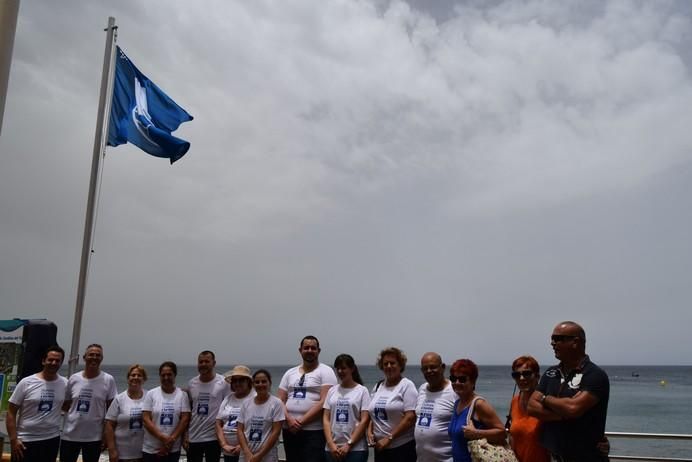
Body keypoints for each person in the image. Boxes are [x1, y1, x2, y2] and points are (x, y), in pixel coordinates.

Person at [528, 321, 610, 462]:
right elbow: (531, 407)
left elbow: (572, 408)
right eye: (552, 339)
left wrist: (544, 398)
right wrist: (563, 414)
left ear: (575, 342)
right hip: (554, 457)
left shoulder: (594, 375)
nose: (552, 343)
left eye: (558, 338)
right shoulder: (550, 372)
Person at [278, 335, 337, 462]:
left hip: (314, 432)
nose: (309, 350)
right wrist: (289, 420)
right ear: (300, 350)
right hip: (289, 430)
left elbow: (324, 401)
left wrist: (301, 422)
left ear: (318, 351)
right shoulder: (290, 373)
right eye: (306, 348)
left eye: (313, 348)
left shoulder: (326, 371)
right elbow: (280, 400)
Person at [7, 345, 68, 462]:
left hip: (51, 440)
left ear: (61, 363)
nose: (53, 363)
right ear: (43, 361)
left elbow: (67, 406)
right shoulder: (26, 382)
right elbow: (11, 412)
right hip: (25, 440)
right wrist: (13, 439)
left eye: (57, 360)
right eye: (50, 359)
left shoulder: (65, 383)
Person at [61, 344, 118, 462]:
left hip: (94, 437)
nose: (94, 357)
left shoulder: (108, 379)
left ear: (101, 358)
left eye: (98, 355)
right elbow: (66, 405)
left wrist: (106, 436)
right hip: (70, 434)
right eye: (91, 354)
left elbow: (111, 411)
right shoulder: (73, 378)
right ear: (84, 357)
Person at [447, 359, 506, 462]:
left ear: (473, 382)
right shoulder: (457, 403)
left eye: (462, 379)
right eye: (453, 378)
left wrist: (476, 433)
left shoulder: (479, 404)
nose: (457, 382)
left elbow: (502, 433)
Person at [366, 347, 417, 462]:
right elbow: (373, 413)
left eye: (392, 363)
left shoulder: (407, 385)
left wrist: (389, 438)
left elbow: (410, 417)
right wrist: (369, 432)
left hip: (402, 447)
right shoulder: (378, 386)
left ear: (400, 365)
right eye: (385, 364)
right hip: (380, 447)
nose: (389, 366)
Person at [322, 354, 371, 462]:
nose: (340, 371)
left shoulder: (362, 391)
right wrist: (330, 444)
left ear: (352, 369)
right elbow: (326, 419)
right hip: (332, 448)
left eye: (343, 368)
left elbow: (365, 420)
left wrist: (349, 444)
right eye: (338, 368)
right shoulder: (332, 391)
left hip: (356, 450)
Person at [142, 361, 191, 462]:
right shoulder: (151, 394)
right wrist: (163, 438)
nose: (166, 378)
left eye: (169, 374)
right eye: (163, 375)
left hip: (172, 449)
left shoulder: (182, 395)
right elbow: (145, 419)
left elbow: (185, 420)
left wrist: (170, 441)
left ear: (175, 375)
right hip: (151, 449)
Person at [187, 350, 230, 462]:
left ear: (214, 363)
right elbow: (190, 408)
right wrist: (185, 435)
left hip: (214, 437)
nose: (203, 364)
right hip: (194, 436)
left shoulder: (223, 383)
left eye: (207, 361)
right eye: (201, 362)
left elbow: (228, 408)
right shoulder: (192, 383)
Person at [415, 352, 456, 462]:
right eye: (425, 368)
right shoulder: (422, 389)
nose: (429, 371)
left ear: (442, 367)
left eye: (433, 367)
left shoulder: (454, 391)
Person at [237, 369, 285, 462]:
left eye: (264, 381)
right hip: (246, 455)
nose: (260, 384)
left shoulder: (276, 403)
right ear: (253, 384)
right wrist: (247, 452)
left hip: (267, 455)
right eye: (257, 382)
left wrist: (259, 455)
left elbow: (276, 432)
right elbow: (240, 430)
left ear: (269, 383)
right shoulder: (246, 403)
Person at [507, 356, 549, 462]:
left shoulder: (546, 402)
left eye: (526, 374)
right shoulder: (515, 401)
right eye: (516, 375)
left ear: (537, 376)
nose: (521, 378)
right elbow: (513, 436)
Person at [105, 364, 148, 462]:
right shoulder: (119, 399)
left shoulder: (150, 396)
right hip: (122, 454)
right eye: (133, 375)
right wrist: (112, 450)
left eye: (139, 375)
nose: (135, 377)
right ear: (128, 378)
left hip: (145, 453)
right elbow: (109, 425)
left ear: (144, 379)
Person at [216, 365, 257, 462]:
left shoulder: (255, 398)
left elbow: (256, 425)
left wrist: (241, 446)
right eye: (235, 381)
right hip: (228, 451)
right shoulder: (228, 398)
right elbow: (218, 423)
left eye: (241, 380)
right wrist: (224, 445)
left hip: (247, 450)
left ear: (248, 381)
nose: (237, 383)